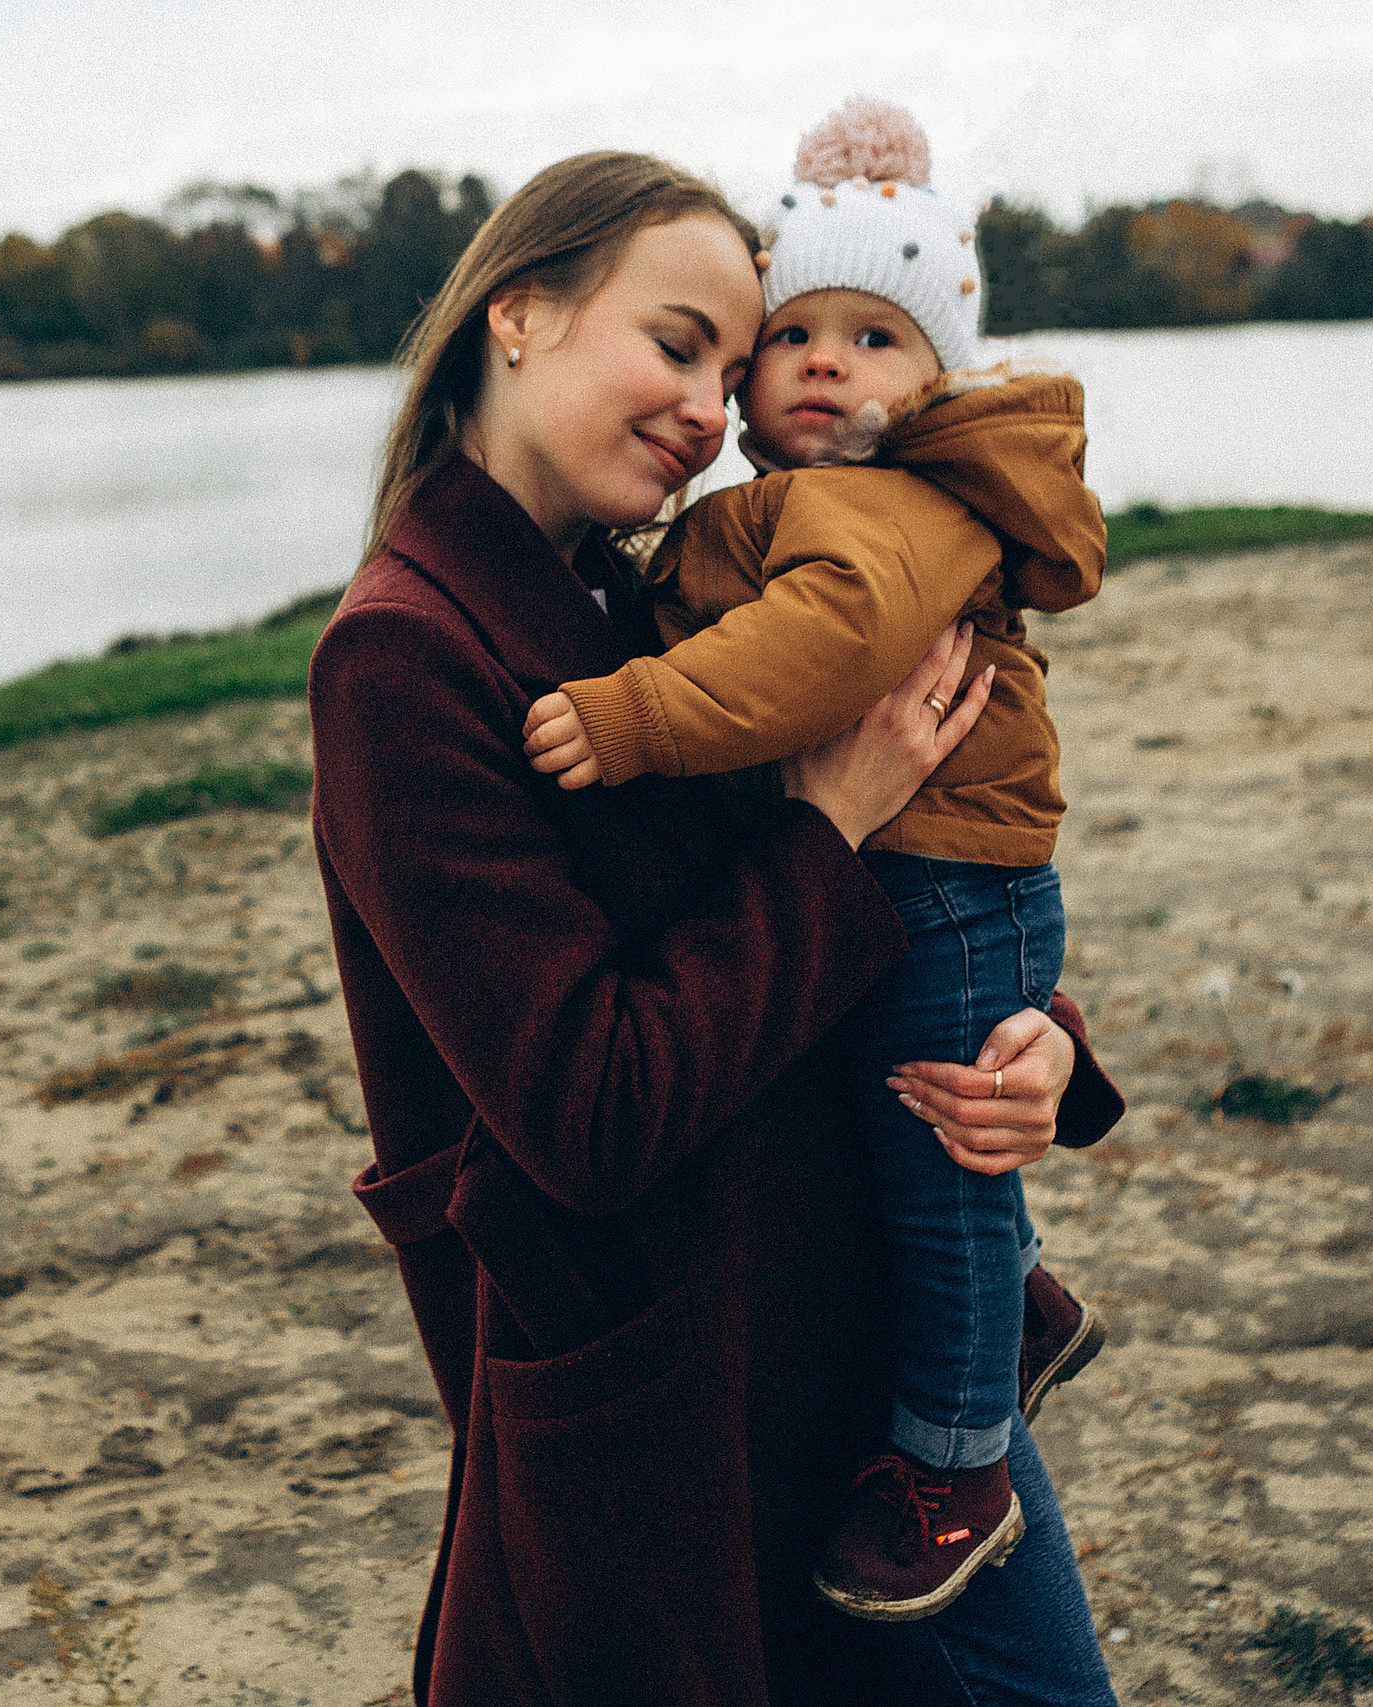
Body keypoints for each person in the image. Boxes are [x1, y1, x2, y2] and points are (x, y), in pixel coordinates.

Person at [308, 148, 1124, 1706]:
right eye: (676, 345)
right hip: (676, 1404)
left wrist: (1038, 1055)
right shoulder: (401, 661)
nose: (711, 405)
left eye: (726, 366)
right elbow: (588, 1108)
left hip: (874, 1358)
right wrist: (830, 815)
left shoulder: (650, 600)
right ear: (520, 313)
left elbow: (904, 892)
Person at [516, 98, 1111, 1623]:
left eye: (877, 338)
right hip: (920, 884)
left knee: (937, 1146)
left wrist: (637, 711)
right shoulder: (783, 503)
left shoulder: (889, 512)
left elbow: (820, 649)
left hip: (945, 881)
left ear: (935, 385)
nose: (823, 364)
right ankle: (1013, 1315)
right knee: (926, 1129)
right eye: (791, 339)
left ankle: (959, 1458)